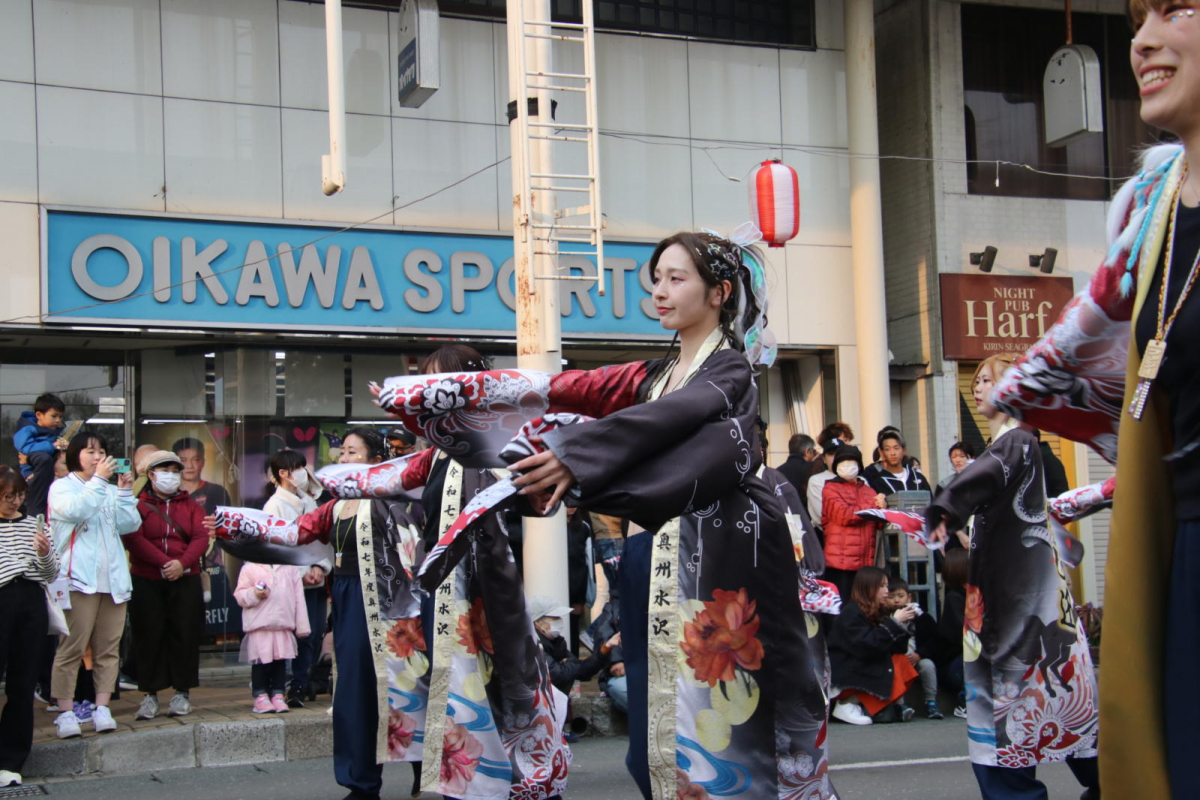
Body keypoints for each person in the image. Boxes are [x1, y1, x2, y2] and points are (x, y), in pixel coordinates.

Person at [375, 231, 838, 799]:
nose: (660, 291)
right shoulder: (658, 373)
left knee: (724, 743)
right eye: (657, 280)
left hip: (724, 571)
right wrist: (455, 394)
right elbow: (574, 386)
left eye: (676, 278)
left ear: (719, 292)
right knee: (653, 748)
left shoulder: (728, 374)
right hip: (656, 564)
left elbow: (675, 428)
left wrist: (577, 460)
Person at [929, 355, 1099, 799]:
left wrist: (944, 507)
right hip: (1024, 602)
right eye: (977, 380)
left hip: (1018, 609)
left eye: (988, 380)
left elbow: (984, 488)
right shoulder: (1015, 447)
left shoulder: (1018, 442)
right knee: (1065, 718)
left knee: (1005, 736)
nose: (978, 387)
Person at [47, 431, 140, 740]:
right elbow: (75, 511)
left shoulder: (110, 489)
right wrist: (100, 482)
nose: (97, 456)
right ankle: (65, 711)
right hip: (78, 580)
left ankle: (102, 707)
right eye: (90, 451)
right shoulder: (61, 487)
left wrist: (125, 493)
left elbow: (129, 526)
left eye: (101, 451)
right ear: (76, 455)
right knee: (72, 648)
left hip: (112, 581)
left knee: (108, 649)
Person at [124, 450, 207, 720]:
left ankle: (182, 693)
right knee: (148, 635)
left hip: (186, 578)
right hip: (147, 579)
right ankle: (149, 695)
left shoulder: (192, 505)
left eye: (175, 471)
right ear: (150, 474)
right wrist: (164, 563)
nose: (171, 476)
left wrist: (181, 564)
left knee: (184, 634)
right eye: (164, 470)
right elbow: (133, 538)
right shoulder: (136, 504)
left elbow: (200, 537)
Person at [0, 467, 59, 788]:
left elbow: (51, 573)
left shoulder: (36, 525)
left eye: (20, 495)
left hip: (32, 602)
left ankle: (10, 761)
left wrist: (45, 552)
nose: (16, 502)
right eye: (9, 496)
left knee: (22, 685)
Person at [261, 449, 329, 708]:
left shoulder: (309, 502)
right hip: (291, 581)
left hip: (315, 578)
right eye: (299, 468)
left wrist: (320, 567)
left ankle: (301, 683)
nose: (304, 473)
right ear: (283, 473)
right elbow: (278, 548)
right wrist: (303, 572)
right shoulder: (274, 506)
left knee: (312, 633)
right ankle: (283, 686)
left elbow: (322, 539)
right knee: (291, 635)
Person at [828, 567, 919, 725]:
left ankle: (858, 705)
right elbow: (866, 647)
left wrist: (902, 624)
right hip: (844, 673)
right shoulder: (851, 612)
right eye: (882, 586)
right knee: (892, 666)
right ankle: (846, 704)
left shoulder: (878, 611)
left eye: (886, 586)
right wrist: (893, 623)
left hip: (863, 667)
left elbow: (898, 649)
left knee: (902, 662)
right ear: (868, 588)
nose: (887, 591)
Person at [234, 561, 310, 714]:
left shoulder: (290, 568)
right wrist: (254, 593)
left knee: (279, 662)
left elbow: (299, 598)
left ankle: (278, 694)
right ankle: (260, 695)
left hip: (282, 624)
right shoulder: (249, 568)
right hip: (259, 625)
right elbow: (240, 595)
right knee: (261, 662)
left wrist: (302, 626)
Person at [821, 444, 886, 599]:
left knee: (864, 607)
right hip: (840, 563)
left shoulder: (869, 491)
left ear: (859, 465)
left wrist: (883, 508)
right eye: (843, 462)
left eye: (852, 461)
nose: (848, 465)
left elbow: (879, 524)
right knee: (842, 609)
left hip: (864, 563)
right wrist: (873, 505)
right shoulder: (830, 489)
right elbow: (844, 515)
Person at [530, 595, 619, 696]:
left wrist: (604, 649)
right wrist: (567, 665)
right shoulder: (531, 645)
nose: (559, 620)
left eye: (559, 617)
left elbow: (581, 670)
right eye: (554, 618)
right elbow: (557, 675)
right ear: (538, 622)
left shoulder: (557, 642)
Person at [886, 577, 942, 719]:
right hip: (897, 659)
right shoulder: (885, 618)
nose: (896, 601)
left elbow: (934, 640)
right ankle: (900, 705)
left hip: (916, 658)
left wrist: (920, 654)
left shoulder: (921, 618)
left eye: (901, 596)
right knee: (894, 667)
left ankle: (931, 702)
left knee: (928, 665)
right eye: (891, 597)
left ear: (909, 597)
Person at [13, 393, 68, 519]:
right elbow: (24, 448)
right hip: (31, 470)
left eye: (60, 416)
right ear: (39, 415)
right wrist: (52, 446)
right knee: (44, 458)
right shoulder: (27, 429)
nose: (58, 420)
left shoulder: (55, 432)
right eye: (54, 416)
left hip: (48, 475)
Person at [937, 547, 968, 718]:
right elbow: (961, 634)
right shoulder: (954, 598)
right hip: (954, 664)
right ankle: (964, 702)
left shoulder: (975, 595)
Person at [864, 429, 933, 496]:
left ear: (904, 450)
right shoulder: (875, 480)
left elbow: (931, 503)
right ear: (881, 453)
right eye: (887, 449)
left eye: (896, 448)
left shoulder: (917, 477)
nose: (892, 453)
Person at [806, 435, 848, 535]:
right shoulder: (816, 480)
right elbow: (821, 517)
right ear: (824, 459)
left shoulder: (859, 479)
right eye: (831, 454)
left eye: (839, 453)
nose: (836, 457)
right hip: (827, 537)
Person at [777, 433, 818, 500]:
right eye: (813, 451)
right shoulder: (811, 470)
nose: (814, 454)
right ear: (807, 451)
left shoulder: (777, 472)